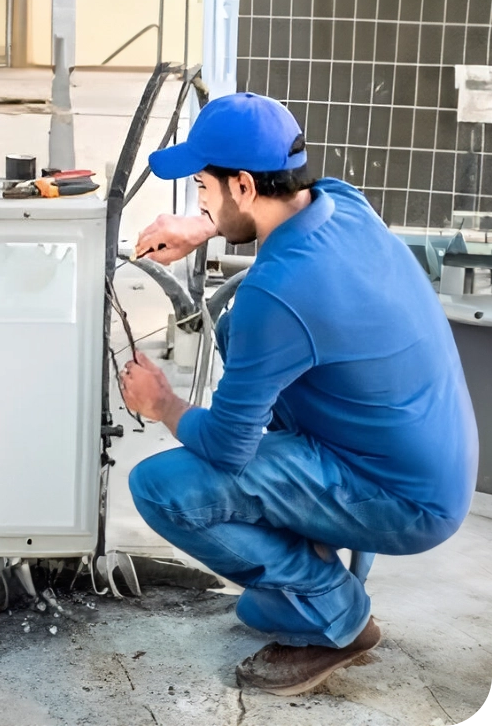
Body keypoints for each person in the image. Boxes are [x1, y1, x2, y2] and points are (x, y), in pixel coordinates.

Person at [119, 92, 479, 696]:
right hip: (426, 458)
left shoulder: (281, 293)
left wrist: (162, 404)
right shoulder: (341, 201)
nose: (197, 199)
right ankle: (314, 537)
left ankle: (334, 612)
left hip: (406, 500)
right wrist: (201, 226)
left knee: (161, 486)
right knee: (234, 325)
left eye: (202, 188)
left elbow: (228, 448)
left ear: (241, 185)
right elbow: (260, 222)